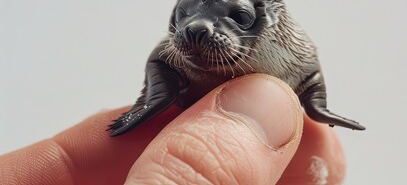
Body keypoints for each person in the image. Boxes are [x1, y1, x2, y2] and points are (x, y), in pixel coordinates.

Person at [0, 74, 345, 184]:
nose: (200, 34)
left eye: (238, 19)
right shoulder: (173, 54)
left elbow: (308, 69)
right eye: (187, 26)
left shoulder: (290, 44)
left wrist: (315, 104)